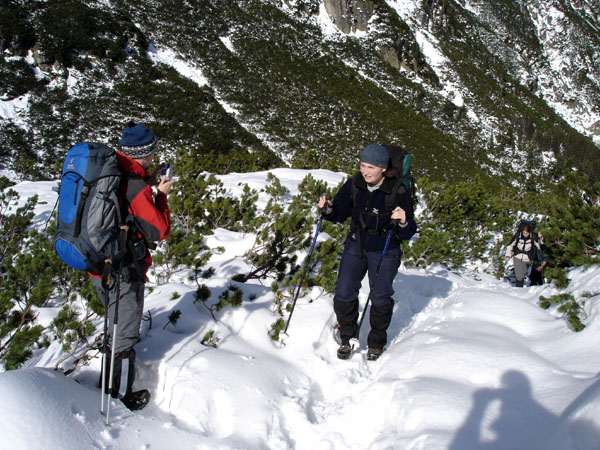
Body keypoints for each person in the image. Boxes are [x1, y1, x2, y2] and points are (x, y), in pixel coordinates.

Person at [91, 121, 174, 410]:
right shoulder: (136, 186)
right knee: (123, 335)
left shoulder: (113, 169)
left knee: (114, 326)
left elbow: (125, 201)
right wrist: (160, 194)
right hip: (123, 271)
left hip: (98, 265)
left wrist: (148, 182)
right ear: (144, 153)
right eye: (151, 153)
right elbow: (159, 230)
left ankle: (108, 384)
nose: (153, 158)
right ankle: (117, 398)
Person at [317, 143, 416, 361]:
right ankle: (347, 335)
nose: (365, 171)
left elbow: (409, 231)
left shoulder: (397, 190)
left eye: (371, 167)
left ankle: (376, 343)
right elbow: (340, 213)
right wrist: (329, 210)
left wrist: (403, 220)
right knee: (344, 290)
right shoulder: (354, 183)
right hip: (357, 243)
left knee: (380, 296)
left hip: (385, 249)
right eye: (362, 165)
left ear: (383, 168)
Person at [504, 223, 541, 287]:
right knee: (519, 275)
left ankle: (522, 281)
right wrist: (508, 255)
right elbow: (510, 245)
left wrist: (541, 238)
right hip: (518, 256)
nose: (525, 234)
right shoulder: (518, 236)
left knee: (524, 272)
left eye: (527, 233)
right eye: (524, 232)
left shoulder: (533, 237)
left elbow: (539, 246)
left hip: (528, 257)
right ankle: (519, 288)